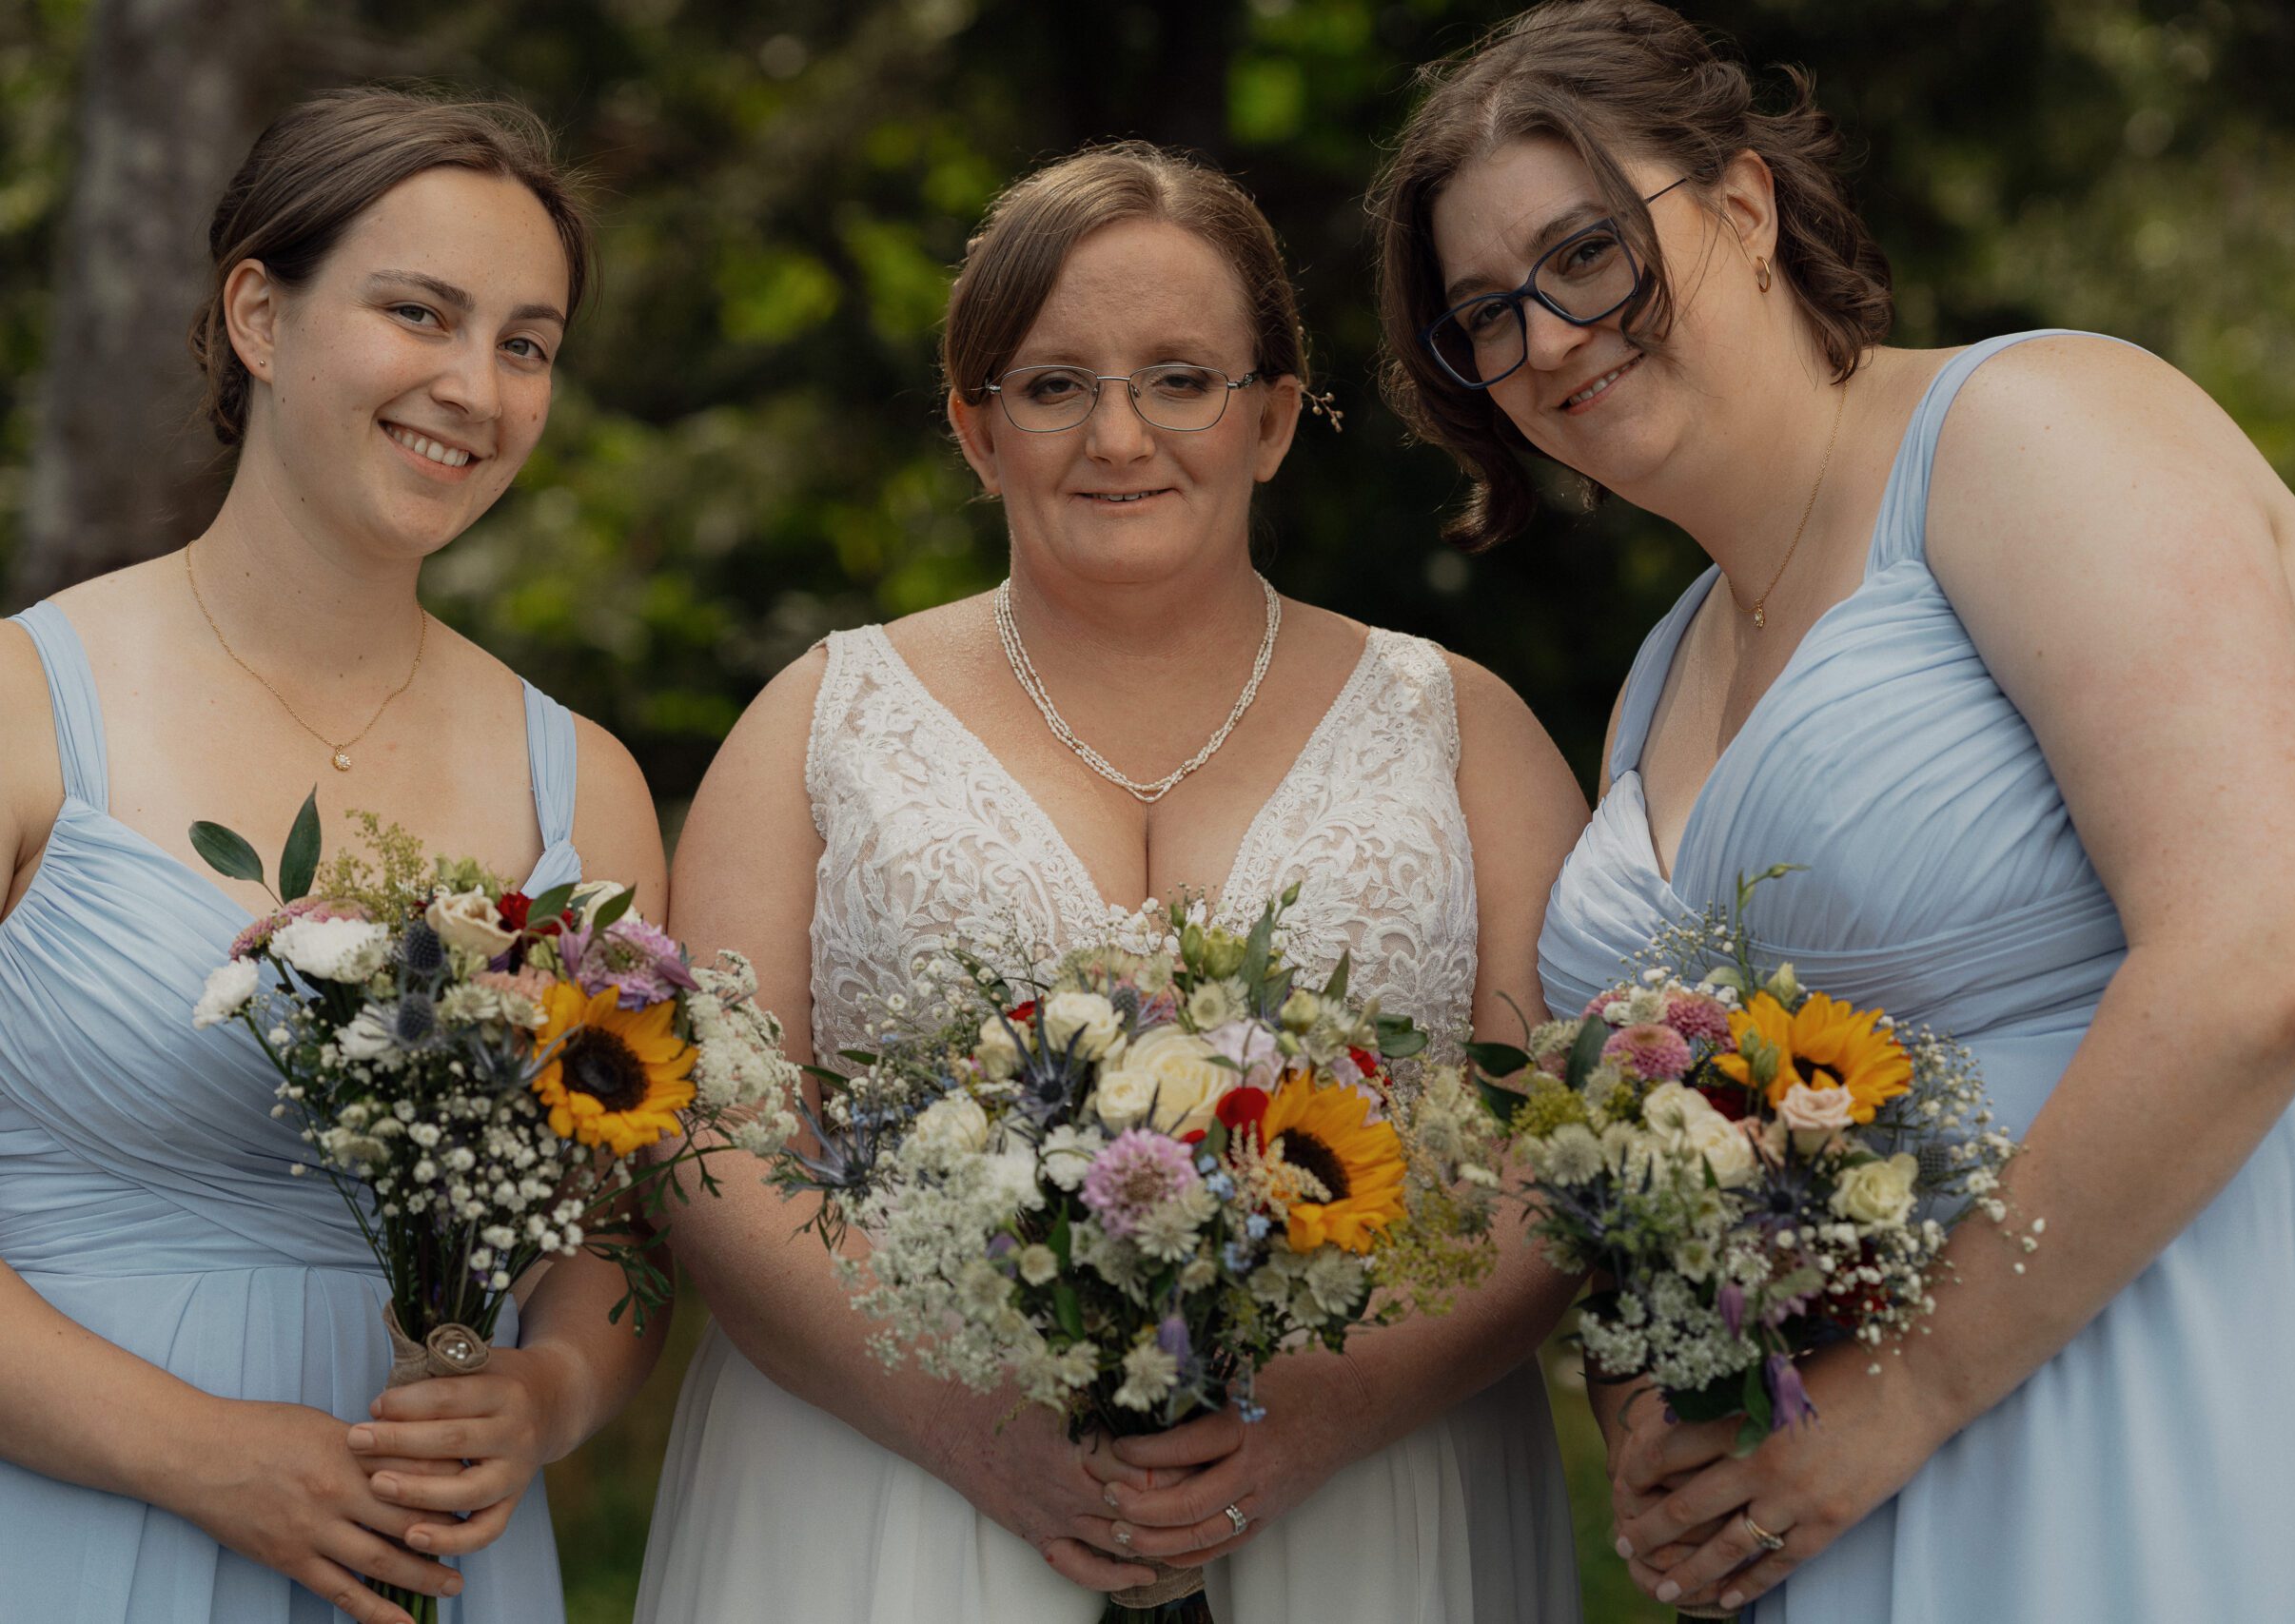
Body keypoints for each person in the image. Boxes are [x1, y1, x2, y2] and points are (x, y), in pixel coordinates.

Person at [1370, 3, 2295, 1619]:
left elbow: (2259, 958)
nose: (1550, 338)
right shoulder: (1661, 679)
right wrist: (1656, 1402)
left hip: (2215, 1336)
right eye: (1485, 317)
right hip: (1869, 1470)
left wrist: (1910, 1391)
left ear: (1744, 204)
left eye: (1588, 254)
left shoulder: (2038, 429)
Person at [634, 141, 1590, 1623]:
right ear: (976, 428)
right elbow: (718, 1151)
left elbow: (1551, 1142)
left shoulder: (1460, 726)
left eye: (1180, 378)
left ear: (1272, 417)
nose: (1119, 435)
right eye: (1053, 383)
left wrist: (1329, 1407)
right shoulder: (818, 720)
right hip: (894, 1486)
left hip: (1374, 1487)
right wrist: (970, 1429)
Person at [0, 89, 672, 1624]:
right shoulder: (24, 711)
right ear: (259, 312)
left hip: (428, 1553)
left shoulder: (590, 791)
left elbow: (617, 1228)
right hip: (58, 1525)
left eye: (526, 343)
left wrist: (551, 1392)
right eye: (418, 312)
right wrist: (203, 1456)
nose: (475, 387)